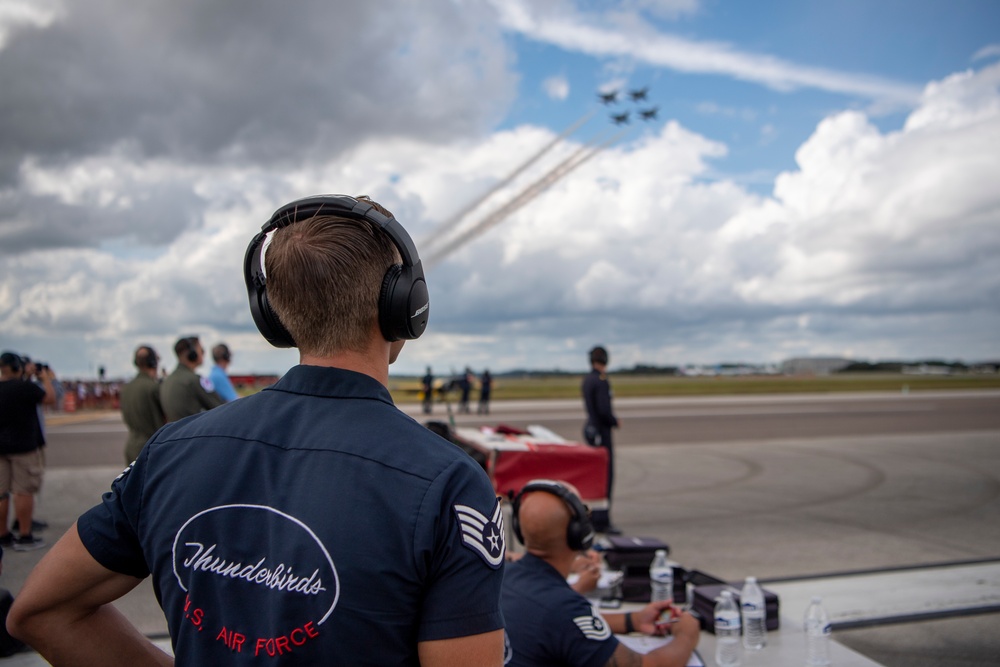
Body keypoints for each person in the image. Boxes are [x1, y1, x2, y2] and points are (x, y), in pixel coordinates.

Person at [9, 194, 506, 666]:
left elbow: (40, 610)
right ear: (404, 305)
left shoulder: (169, 453)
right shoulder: (448, 485)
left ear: (273, 313)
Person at [502, 480, 699, 667]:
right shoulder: (564, 608)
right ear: (579, 533)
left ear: (520, 528)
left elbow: (565, 626)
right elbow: (648, 665)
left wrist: (633, 620)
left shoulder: (504, 577)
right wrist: (687, 635)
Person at [0, 352, 55, 552]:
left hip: (1, 448)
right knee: (23, 491)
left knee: (1, 493)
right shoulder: (25, 388)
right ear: (16, 368)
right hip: (23, 447)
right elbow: (49, 398)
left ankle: (3, 535)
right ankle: (25, 535)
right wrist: (45, 379)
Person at [582, 345, 620, 534]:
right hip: (601, 433)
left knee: (596, 475)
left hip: (591, 430)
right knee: (606, 476)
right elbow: (604, 410)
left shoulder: (588, 379)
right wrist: (614, 421)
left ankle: (594, 517)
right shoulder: (601, 381)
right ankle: (602, 520)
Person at [159, 335, 225, 422]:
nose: (203, 353)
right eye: (201, 350)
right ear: (192, 354)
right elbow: (220, 409)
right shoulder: (196, 380)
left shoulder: (167, 381)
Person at [120, 346, 165, 464]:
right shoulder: (153, 387)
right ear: (153, 362)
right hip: (150, 448)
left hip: (131, 447)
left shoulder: (127, 388)